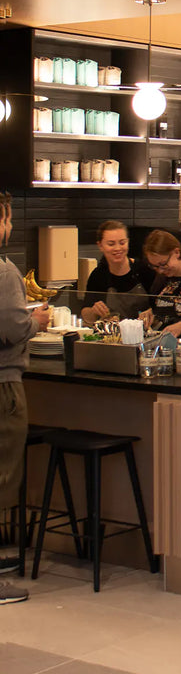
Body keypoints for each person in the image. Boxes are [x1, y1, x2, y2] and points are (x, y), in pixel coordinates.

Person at [0, 192, 51, 603]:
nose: (11, 225)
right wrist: (34, 319)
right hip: (3, 385)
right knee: (1, 478)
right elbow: (13, 330)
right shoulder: (3, 272)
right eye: (9, 217)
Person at [81, 220, 155, 325]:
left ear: (128, 242)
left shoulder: (144, 270)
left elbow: (161, 305)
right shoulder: (98, 275)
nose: (117, 248)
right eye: (111, 244)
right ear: (100, 246)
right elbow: (86, 315)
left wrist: (151, 312)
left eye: (122, 243)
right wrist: (93, 311)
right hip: (113, 336)